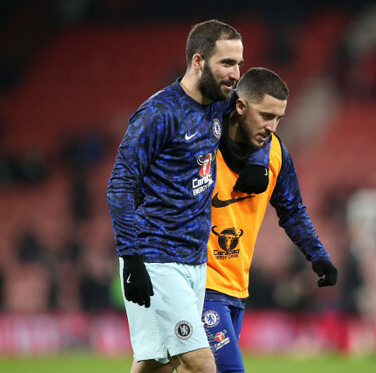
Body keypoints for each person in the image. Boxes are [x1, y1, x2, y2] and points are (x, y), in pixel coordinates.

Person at [107, 20, 270, 373]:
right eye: (226, 63)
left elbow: (259, 121)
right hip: (156, 258)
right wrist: (132, 259)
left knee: (156, 364)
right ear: (198, 62)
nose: (235, 73)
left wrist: (257, 159)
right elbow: (119, 184)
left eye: (239, 63)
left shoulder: (218, 105)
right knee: (201, 365)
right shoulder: (159, 114)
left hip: (195, 261)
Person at [202, 67, 338, 372]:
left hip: (237, 288)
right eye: (265, 115)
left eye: (278, 118)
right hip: (200, 284)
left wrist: (318, 257)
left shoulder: (276, 153)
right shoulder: (201, 139)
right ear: (240, 106)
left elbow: (293, 211)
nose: (272, 126)